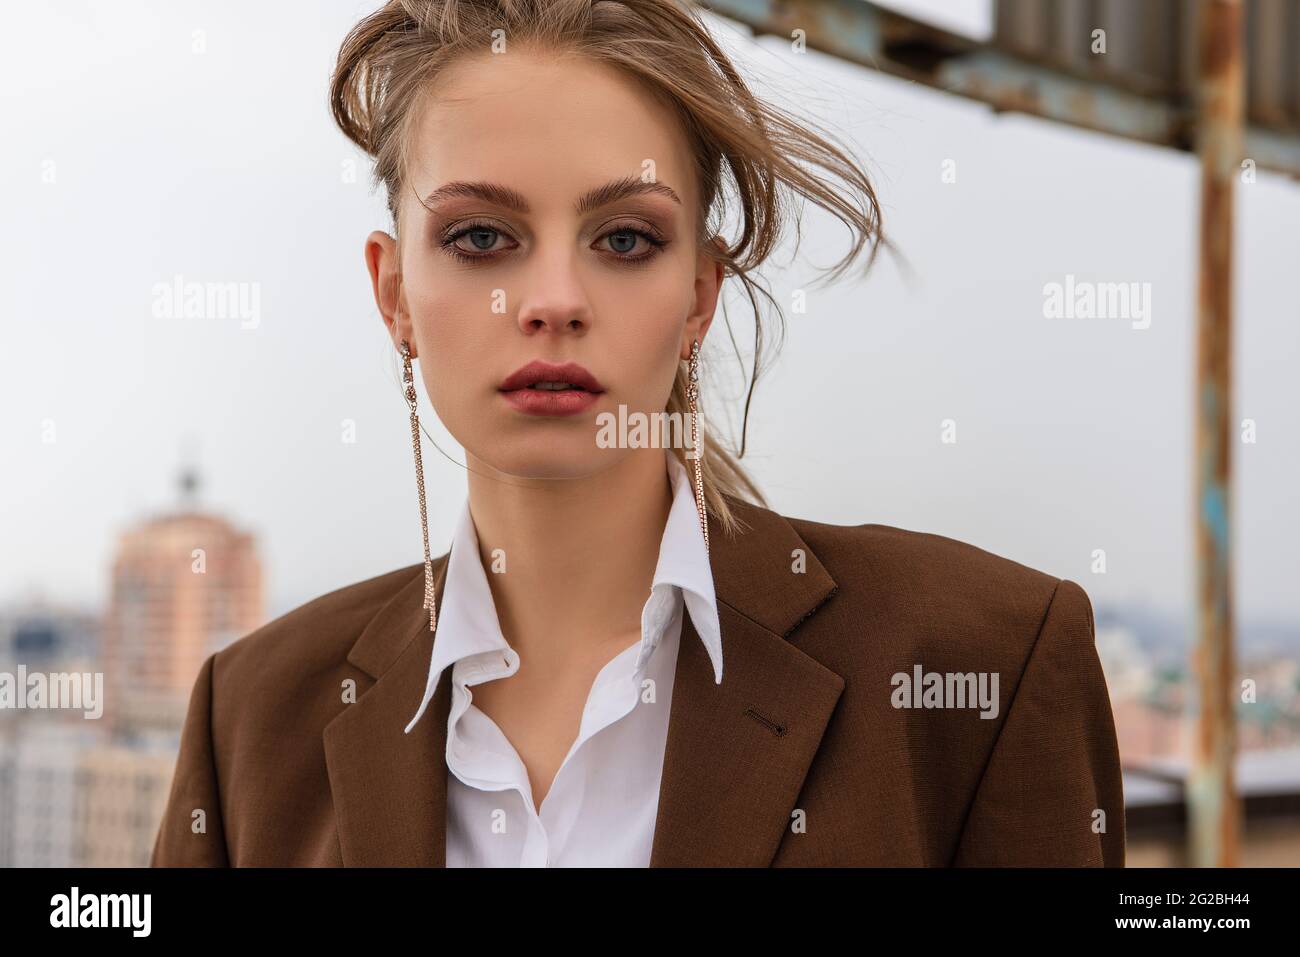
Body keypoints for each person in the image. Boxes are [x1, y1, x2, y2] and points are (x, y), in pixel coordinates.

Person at [151, 0, 1124, 867]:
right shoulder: (253, 717)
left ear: (698, 294)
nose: (555, 302)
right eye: (481, 237)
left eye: (624, 239)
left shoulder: (977, 659)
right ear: (394, 293)